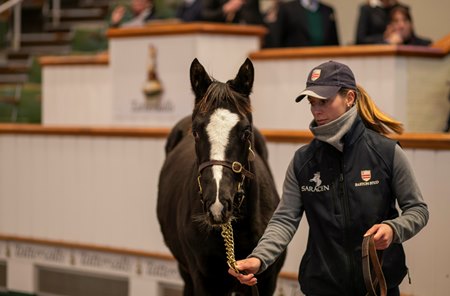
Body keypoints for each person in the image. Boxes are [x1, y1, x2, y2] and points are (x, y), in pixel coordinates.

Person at [228, 60, 429, 296]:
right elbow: (284, 220)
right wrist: (259, 258)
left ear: (350, 98)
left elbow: (418, 210)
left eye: (324, 101)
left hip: (379, 288)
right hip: (321, 287)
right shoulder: (302, 161)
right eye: (312, 103)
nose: (316, 110)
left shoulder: (387, 152)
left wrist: (393, 229)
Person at [268, 0, 339, 48]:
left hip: (324, 63)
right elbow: (277, 42)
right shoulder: (287, 9)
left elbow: (335, 44)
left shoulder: (328, 10)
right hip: (295, 63)